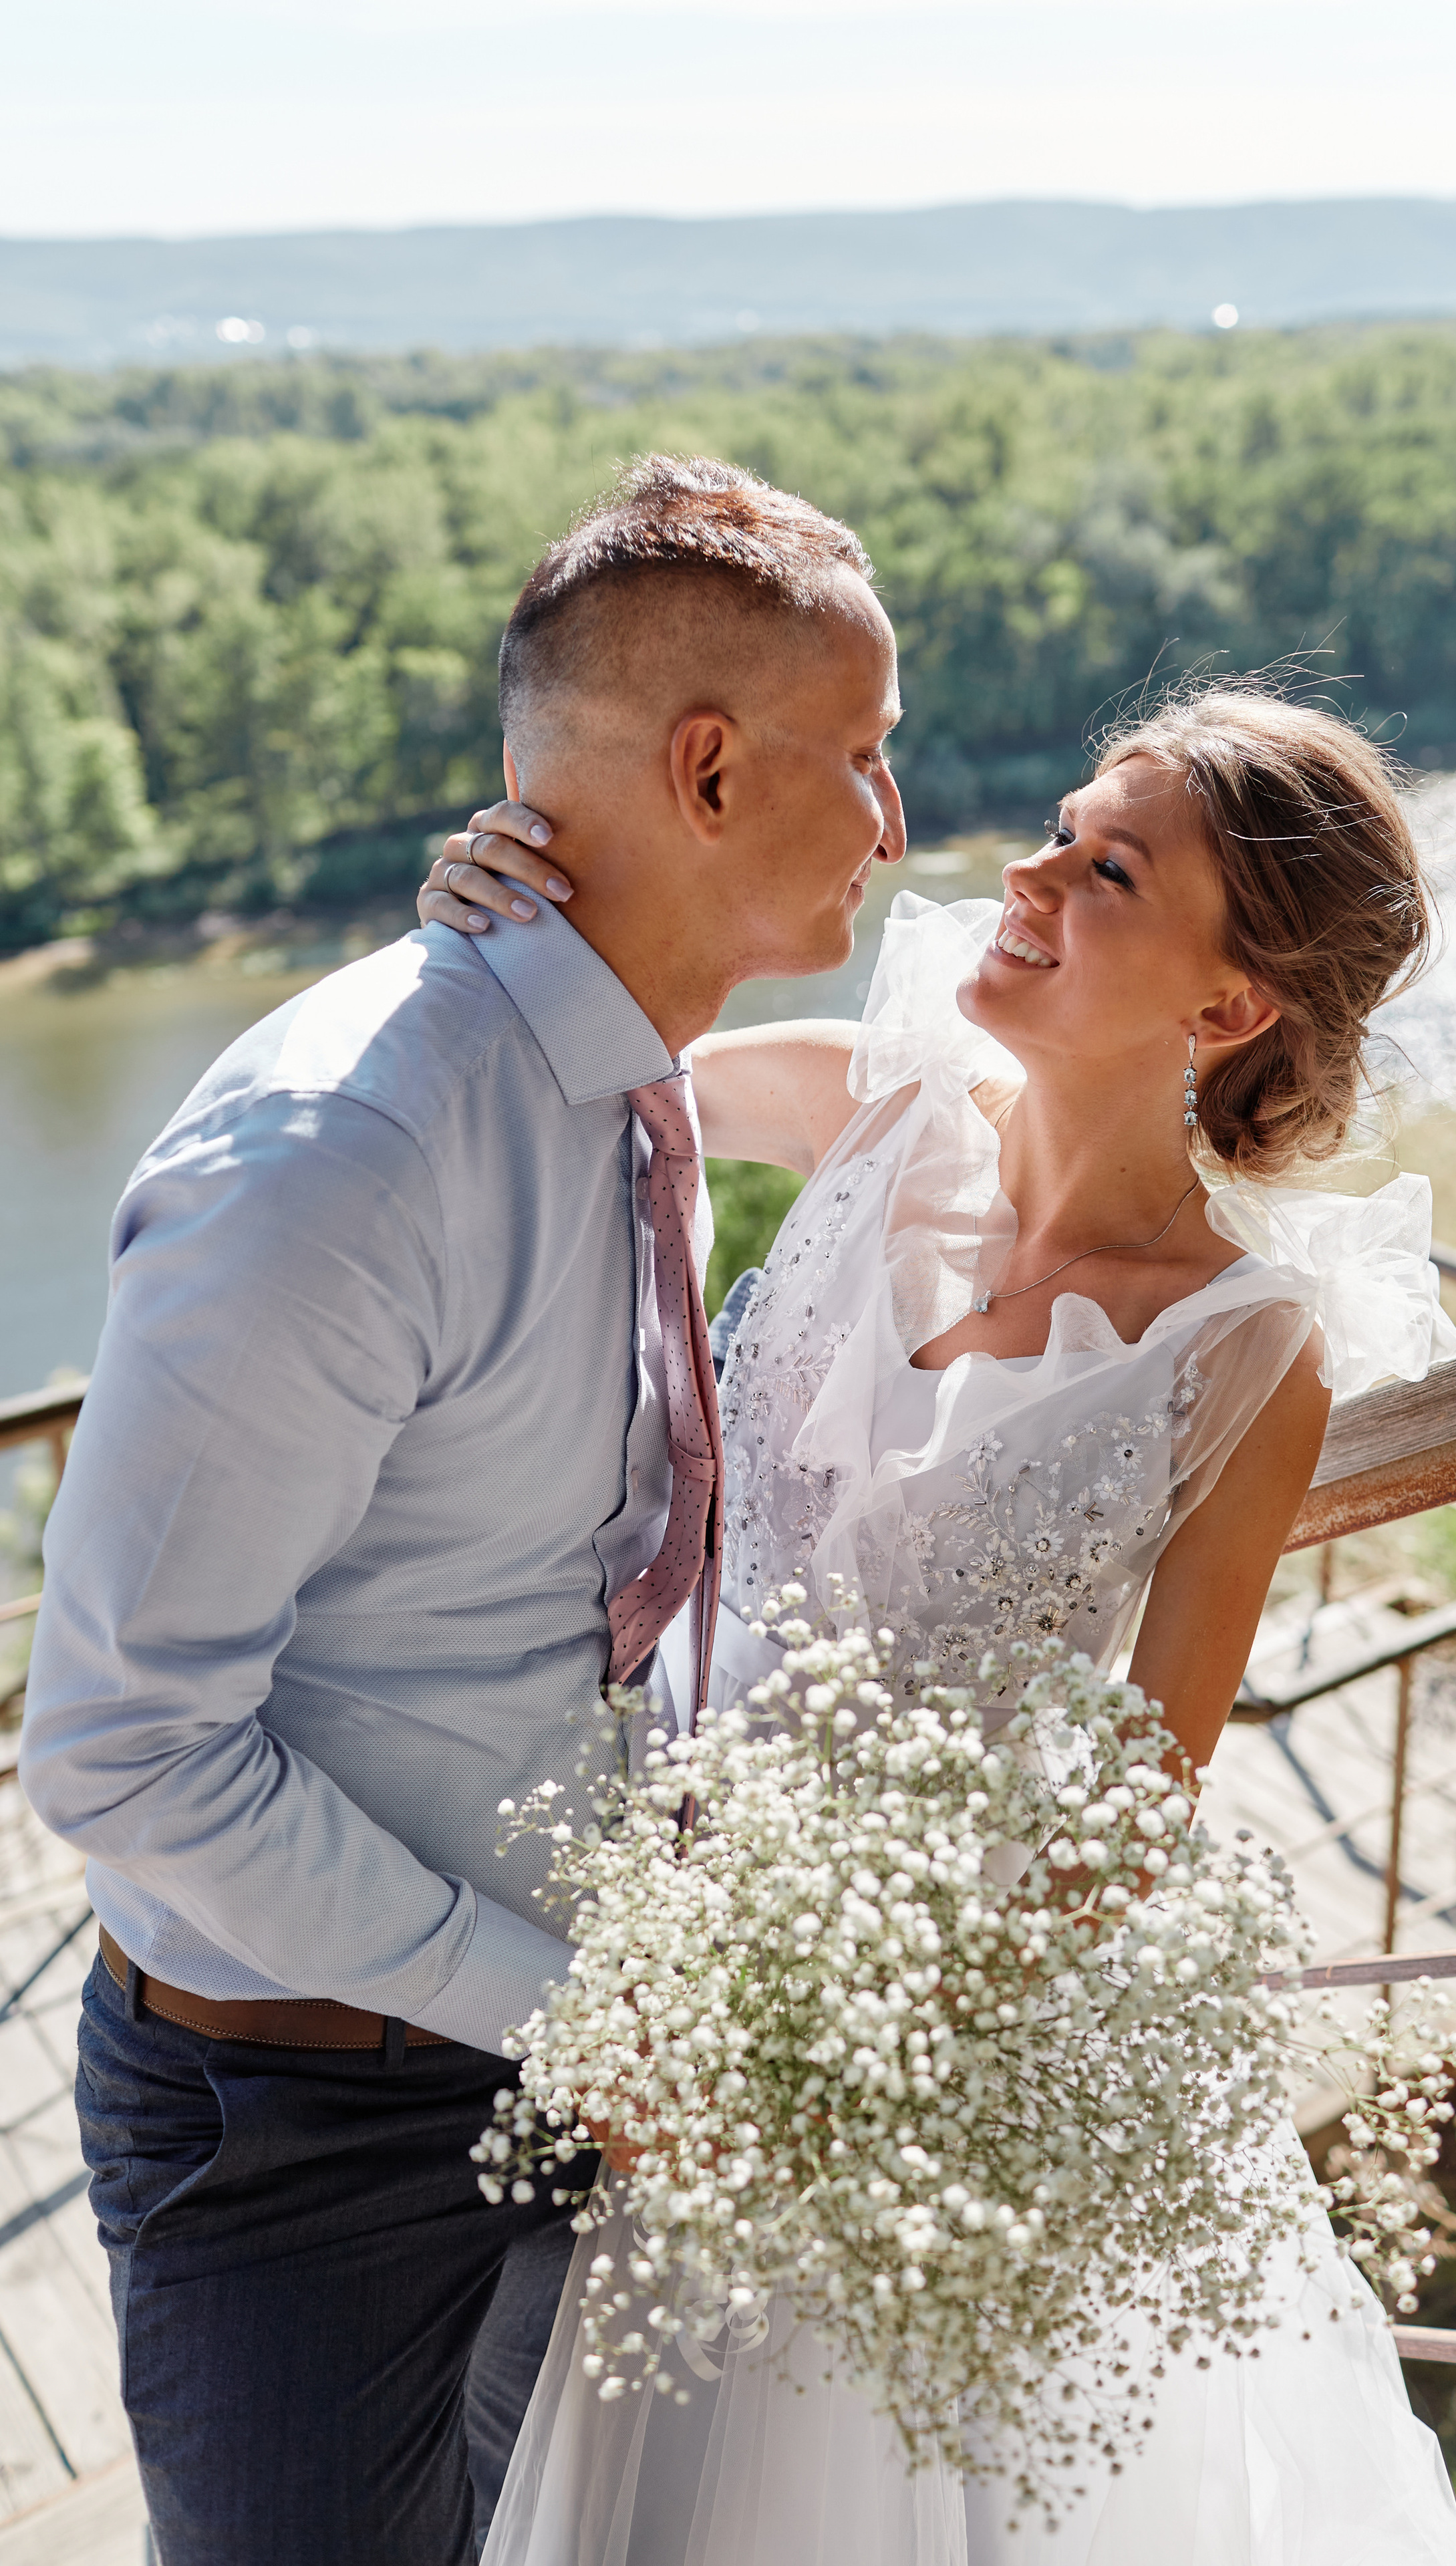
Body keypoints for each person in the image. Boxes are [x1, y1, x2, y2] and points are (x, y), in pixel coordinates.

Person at [416, 685, 1456, 2561]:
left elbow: (1137, 1802)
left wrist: (832, 2056)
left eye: (1108, 868)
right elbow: (600, 1063)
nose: (1030, 870)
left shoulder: (1246, 1350)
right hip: (662, 1949)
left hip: (906, 2065)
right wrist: (490, 907)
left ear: (1227, 1009)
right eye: (1065, 823)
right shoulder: (882, 1100)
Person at [19, 454, 906, 2566]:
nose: (893, 819)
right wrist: (568, 2016)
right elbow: (122, 1748)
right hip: (307, 2134)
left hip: (582, 2047)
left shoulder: (626, 1079)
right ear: (705, 771)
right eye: (863, 758)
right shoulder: (351, 1155)